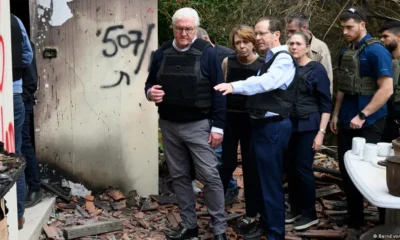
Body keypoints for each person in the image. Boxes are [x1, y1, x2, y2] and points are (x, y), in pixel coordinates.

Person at [145, 8, 227, 240]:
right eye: (179, 28)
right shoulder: (161, 53)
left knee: (210, 177)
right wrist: (150, 93)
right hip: (169, 125)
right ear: (173, 28)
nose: (183, 33)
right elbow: (149, 83)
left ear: (196, 29)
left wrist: (218, 126)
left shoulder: (208, 54)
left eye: (189, 29)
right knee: (180, 177)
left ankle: (219, 229)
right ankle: (189, 226)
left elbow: (219, 92)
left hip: (199, 125)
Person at [215, 17, 296, 240]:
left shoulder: (283, 59)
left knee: (270, 184)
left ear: (276, 34)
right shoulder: (271, 59)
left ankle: (275, 234)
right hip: (260, 126)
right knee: (262, 180)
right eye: (257, 34)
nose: (258, 38)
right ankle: (265, 224)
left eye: (262, 34)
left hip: (273, 127)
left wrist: (233, 86)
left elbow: (265, 83)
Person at [329, 7, 393, 237]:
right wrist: (336, 113)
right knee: (348, 171)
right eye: (343, 27)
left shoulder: (377, 51)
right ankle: (355, 220)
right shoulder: (347, 51)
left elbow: (386, 89)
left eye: (350, 27)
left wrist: (363, 114)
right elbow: (343, 86)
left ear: (363, 25)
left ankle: (386, 223)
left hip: (370, 121)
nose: (345, 31)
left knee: (373, 173)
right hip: (347, 118)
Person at [217, 24, 265, 234]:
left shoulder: (263, 64)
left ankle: (252, 213)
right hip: (230, 119)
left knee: (250, 168)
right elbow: (219, 91)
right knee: (225, 164)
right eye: (238, 42)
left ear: (253, 42)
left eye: (246, 41)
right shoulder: (228, 62)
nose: (242, 46)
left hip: (252, 123)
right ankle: (216, 209)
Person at [285, 32, 332, 230]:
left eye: (298, 44)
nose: (294, 47)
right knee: (290, 168)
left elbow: (326, 104)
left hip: (309, 126)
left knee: (303, 168)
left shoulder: (317, 69)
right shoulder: (287, 67)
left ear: (307, 47)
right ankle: (295, 209)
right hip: (289, 125)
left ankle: (309, 213)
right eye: (291, 44)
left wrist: (321, 132)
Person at [196, 27, 239, 204]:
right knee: (211, 155)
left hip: (226, 113)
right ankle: (217, 189)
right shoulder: (197, 55)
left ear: (206, 38)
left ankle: (229, 187)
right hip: (205, 112)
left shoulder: (226, 56)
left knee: (220, 156)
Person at [11, 13, 33, 230]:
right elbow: (26, 58)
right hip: (12, 93)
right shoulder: (13, 20)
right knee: (14, 156)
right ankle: (16, 217)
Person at [286, 12, 333, 95]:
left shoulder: (320, 48)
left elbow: (327, 79)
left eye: (292, 31)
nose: (289, 35)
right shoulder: (288, 45)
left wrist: (326, 104)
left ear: (304, 27)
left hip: (312, 99)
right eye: (288, 31)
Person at [22, 42, 43, 208]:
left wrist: (24, 97)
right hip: (19, 98)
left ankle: (35, 188)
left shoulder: (22, 41)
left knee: (24, 144)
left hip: (22, 100)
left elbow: (31, 78)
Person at [379, 21, 400, 142]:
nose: (382, 40)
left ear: (398, 37)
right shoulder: (386, 61)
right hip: (386, 121)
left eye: (386, 36)